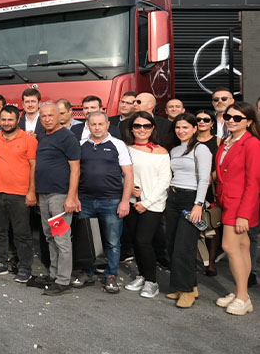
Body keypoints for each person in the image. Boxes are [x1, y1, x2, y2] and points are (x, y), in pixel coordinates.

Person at [74, 111, 133, 293]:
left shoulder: (118, 145)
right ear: (88, 126)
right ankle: (87, 272)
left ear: (108, 125)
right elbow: (75, 173)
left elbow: (129, 175)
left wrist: (125, 201)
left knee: (112, 241)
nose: (97, 127)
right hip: (85, 200)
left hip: (111, 201)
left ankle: (111, 275)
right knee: (86, 240)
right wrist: (74, 197)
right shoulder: (81, 145)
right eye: (93, 124)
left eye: (101, 124)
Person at [0, 106, 37, 282]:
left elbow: (34, 166)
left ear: (18, 120)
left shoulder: (29, 140)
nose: (6, 123)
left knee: (21, 233)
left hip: (19, 193)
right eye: (3, 119)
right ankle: (1, 263)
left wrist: (32, 191)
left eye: (10, 119)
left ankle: (25, 267)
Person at [214, 102, 260, 315]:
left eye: (237, 118)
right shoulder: (227, 141)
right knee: (242, 247)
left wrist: (244, 214)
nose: (231, 121)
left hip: (240, 204)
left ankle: (242, 297)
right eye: (228, 117)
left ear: (248, 121)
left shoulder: (252, 144)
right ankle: (241, 293)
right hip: (227, 201)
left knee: (229, 247)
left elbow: (254, 182)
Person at [162, 113, 212, 308]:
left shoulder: (201, 149)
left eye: (185, 127)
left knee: (184, 247)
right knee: (172, 245)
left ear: (194, 128)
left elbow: (204, 179)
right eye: (178, 127)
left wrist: (198, 204)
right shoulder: (175, 149)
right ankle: (188, 285)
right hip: (173, 197)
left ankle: (187, 292)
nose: (181, 131)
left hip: (191, 199)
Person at [33, 103, 81, 295]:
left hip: (59, 195)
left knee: (61, 238)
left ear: (59, 116)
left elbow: (76, 169)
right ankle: (54, 275)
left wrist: (71, 197)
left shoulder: (67, 137)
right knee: (49, 236)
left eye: (50, 115)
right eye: (43, 116)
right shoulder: (42, 136)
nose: (47, 119)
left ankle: (63, 281)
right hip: (44, 194)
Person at [122, 111, 171, 299]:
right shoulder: (126, 149)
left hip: (153, 204)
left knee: (144, 241)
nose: (142, 129)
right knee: (136, 241)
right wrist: (129, 189)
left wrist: (147, 202)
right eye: (137, 126)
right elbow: (121, 174)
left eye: (146, 126)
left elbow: (164, 181)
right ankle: (142, 275)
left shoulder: (161, 152)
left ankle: (152, 281)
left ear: (152, 128)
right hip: (132, 202)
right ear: (131, 128)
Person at [195, 109, 222, 276]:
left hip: (211, 187)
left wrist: (210, 177)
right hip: (192, 185)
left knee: (212, 222)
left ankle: (211, 262)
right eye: (198, 119)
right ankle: (196, 258)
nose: (202, 122)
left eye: (206, 119)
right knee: (193, 223)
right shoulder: (190, 139)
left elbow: (222, 163)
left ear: (212, 123)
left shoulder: (218, 141)